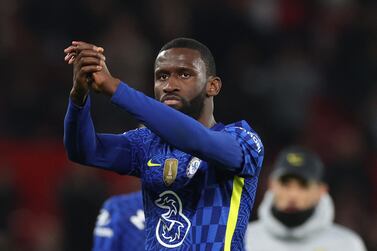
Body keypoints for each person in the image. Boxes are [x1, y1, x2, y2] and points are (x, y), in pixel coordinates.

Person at [63, 37, 264, 250]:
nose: (169, 86)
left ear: (212, 86)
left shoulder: (244, 141)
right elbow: (83, 151)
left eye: (184, 74)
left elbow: (197, 140)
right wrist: (78, 97)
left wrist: (115, 87)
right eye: (162, 76)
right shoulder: (147, 144)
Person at [245, 146, 366, 251]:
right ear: (271, 185)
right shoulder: (243, 240)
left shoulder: (346, 245)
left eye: (303, 185)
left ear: (321, 191)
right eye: (285, 184)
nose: (293, 194)